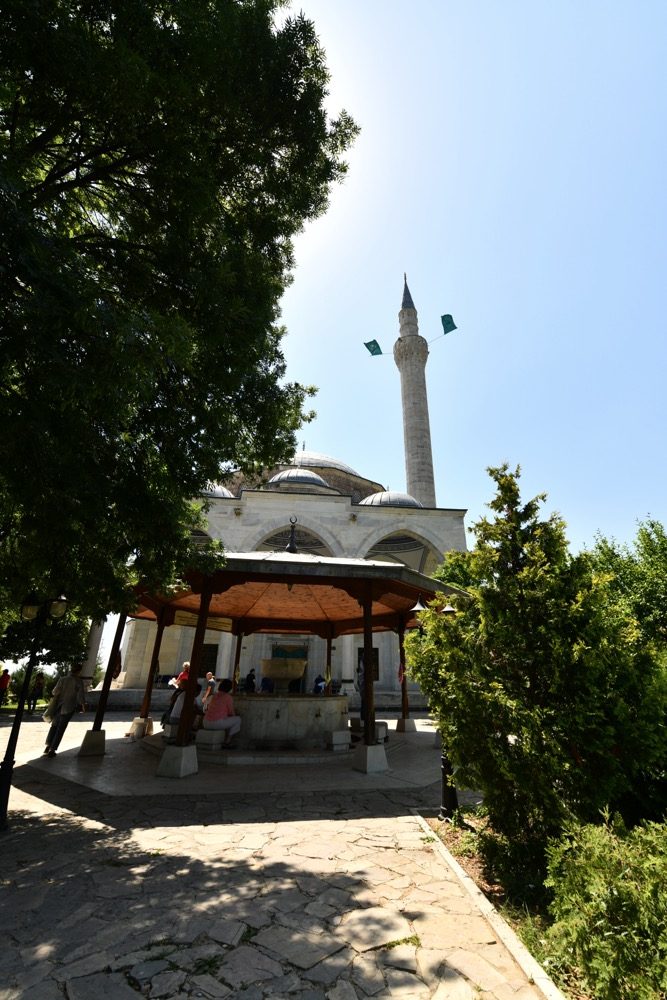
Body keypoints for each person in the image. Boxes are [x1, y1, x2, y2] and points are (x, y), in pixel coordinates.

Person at [43, 665, 86, 757]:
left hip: (59, 706)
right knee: (61, 729)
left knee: (54, 726)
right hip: (69, 707)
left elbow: (54, 692)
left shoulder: (63, 679)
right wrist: (83, 706)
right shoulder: (78, 681)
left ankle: (48, 745)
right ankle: (52, 750)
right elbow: (80, 696)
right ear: (79, 671)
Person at [202, 679, 241, 746]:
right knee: (238, 720)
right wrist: (236, 714)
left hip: (206, 722)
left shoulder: (214, 696)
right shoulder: (228, 697)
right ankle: (227, 741)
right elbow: (231, 712)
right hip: (217, 723)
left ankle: (225, 739)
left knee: (227, 720)